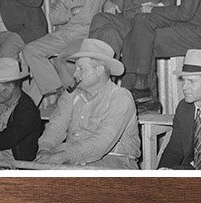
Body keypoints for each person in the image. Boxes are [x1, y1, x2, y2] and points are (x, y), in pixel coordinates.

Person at [89, 0, 174, 106]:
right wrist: (108, 3)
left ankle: (93, 72)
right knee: (104, 25)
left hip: (146, 26)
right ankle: (103, 81)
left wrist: (156, 7)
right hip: (124, 23)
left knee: (104, 26)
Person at [21, 0, 106, 114]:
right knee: (30, 50)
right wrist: (72, 12)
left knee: (63, 59)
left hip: (85, 33)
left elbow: (89, 16)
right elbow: (53, 17)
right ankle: (59, 91)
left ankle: (61, 101)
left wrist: (66, 13)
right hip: (64, 32)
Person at [34, 38, 141, 169]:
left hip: (115, 162)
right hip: (73, 159)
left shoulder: (120, 97)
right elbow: (57, 126)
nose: (75, 74)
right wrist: (44, 149)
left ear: (99, 70)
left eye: (81, 69)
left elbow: (102, 141)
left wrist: (62, 156)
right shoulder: (71, 95)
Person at [0, 57, 43, 164]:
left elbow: (6, 140)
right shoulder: (0, 104)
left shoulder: (27, 110)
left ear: (10, 87)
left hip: (16, 165)